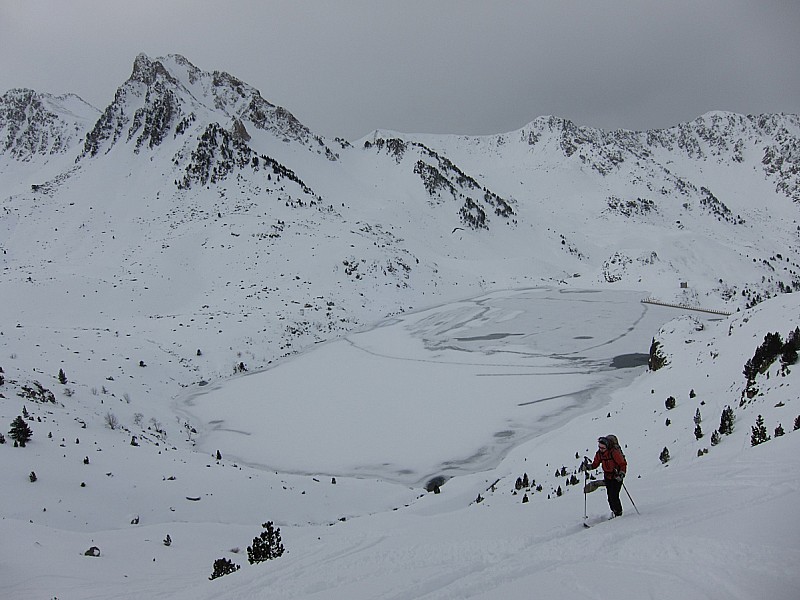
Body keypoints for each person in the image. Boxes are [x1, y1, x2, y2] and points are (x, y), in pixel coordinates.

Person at [585, 435, 627, 517]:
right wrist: (588, 467)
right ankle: (615, 512)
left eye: (602, 448)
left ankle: (618, 513)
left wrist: (621, 474)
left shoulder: (614, 452)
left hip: (616, 476)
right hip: (607, 476)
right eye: (599, 447)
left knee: (614, 496)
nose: (601, 449)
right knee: (610, 497)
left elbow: (622, 464)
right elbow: (595, 464)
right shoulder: (599, 454)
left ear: (607, 447)